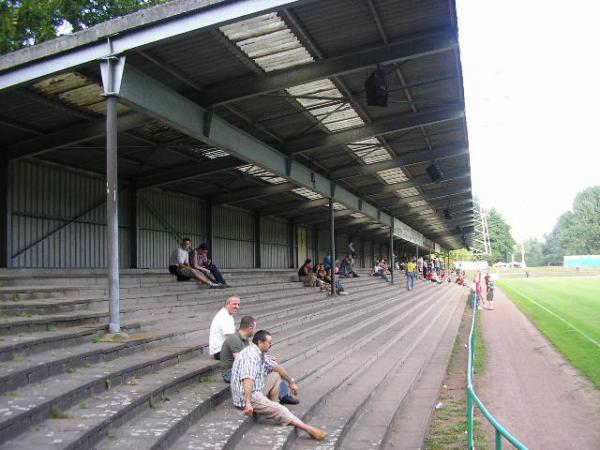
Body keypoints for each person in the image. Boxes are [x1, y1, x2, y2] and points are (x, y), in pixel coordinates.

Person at [230, 330, 326, 441]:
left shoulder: (257, 351)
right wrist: (247, 403)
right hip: (247, 395)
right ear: (260, 342)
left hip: (255, 388)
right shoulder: (251, 356)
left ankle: (273, 405)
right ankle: (308, 429)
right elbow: (247, 379)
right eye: (269, 342)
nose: (271, 344)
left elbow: (276, 367)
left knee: (276, 375)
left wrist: (291, 383)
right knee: (282, 410)